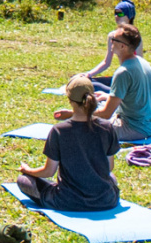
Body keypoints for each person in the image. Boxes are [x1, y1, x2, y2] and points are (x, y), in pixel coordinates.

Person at [17, 74, 120, 211]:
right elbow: (109, 167)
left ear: (69, 99)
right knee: (111, 177)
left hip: (67, 201)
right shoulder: (107, 127)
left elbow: (48, 171)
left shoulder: (59, 131)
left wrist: (27, 170)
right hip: (106, 200)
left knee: (22, 180)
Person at [79, 23, 151, 142]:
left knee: (81, 126)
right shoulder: (142, 62)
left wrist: (76, 114)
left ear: (122, 46)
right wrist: (108, 96)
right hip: (149, 124)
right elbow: (135, 96)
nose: (111, 42)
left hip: (134, 128)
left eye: (114, 39)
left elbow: (106, 114)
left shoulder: (123, 72)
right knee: (99, 104)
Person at [82, 0, 144, 92]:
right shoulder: (112, 35)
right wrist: (89, 74)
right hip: (122, 76)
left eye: (120, 13)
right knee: (88, 82)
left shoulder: (135, 37)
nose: (116, 16)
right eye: (115, 13)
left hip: (131, 79)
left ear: (129, 16)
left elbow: (140, 63)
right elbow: (106, 63)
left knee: (92, 87)